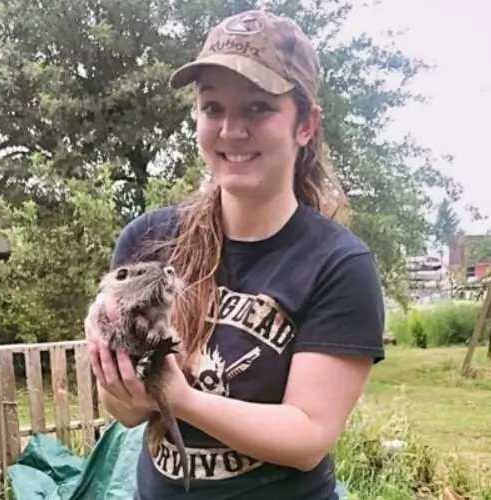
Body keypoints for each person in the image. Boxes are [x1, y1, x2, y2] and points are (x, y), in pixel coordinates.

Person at [84, 8, 385, 500]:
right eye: (213, 107)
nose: (231, 130)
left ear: (305, 124)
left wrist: (181, 399)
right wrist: (119, 379)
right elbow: (126, 411)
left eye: (259, 108)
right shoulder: (148, 242)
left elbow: (307, 436)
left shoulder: (338, 265)